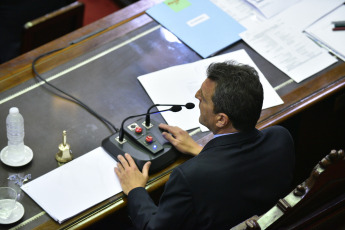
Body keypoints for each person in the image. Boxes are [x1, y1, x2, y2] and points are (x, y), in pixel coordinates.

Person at [114, 61, 295, 230]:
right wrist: (200, 151)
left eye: (204, 98)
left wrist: (135, 190)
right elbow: (238, 171)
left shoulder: (189, 177)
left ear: (221, 119)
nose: (196, 96)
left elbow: (154, 227)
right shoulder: (280, 138)